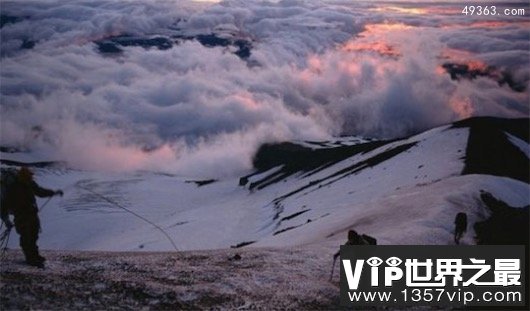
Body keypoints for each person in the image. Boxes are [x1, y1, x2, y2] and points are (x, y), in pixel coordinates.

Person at [1, 167, 63, 267]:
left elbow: (40, 192)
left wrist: (52, 193)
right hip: (21, 216)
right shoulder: (14, 187)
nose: (31, 176)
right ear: (24, 176)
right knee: (26, 237)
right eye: (29, 175)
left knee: (33, 235)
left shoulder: (30, 183)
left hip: (32, 214)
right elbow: (5, 204)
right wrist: (6, 219)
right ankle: (30, 258)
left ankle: (34, 255)